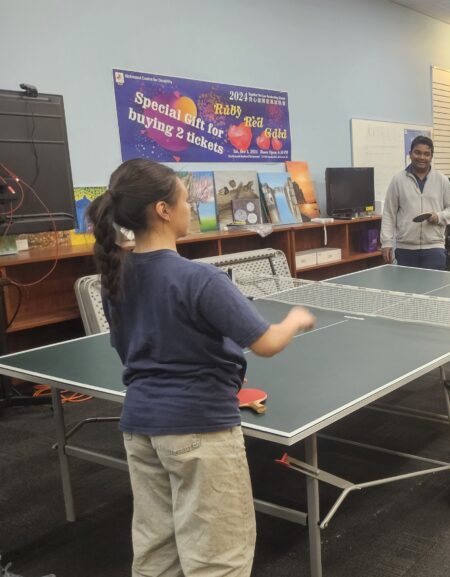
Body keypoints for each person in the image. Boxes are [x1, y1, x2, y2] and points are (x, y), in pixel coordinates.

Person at [87, 159, 316, 577]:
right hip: (199, 428)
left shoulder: (115, 276)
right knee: (217, 560)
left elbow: (135, 347)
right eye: (186, 199)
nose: (190, 207)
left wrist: (213, 361)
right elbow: (265, 343)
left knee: (157, 552)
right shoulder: (201, 279)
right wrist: (295, 320)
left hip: (140, 428)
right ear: (162, 210)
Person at [381, 135, 450, 270]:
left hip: (434, 248)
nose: (422, 157)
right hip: (405, 249)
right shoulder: (398, 180)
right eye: (417, 152)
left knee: (434, 290)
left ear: (431, 157)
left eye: (426, 154)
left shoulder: (442, 180)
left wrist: (438, 216)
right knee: (407, 290)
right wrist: (386, 242)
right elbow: (389, 213)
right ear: (410, 154)